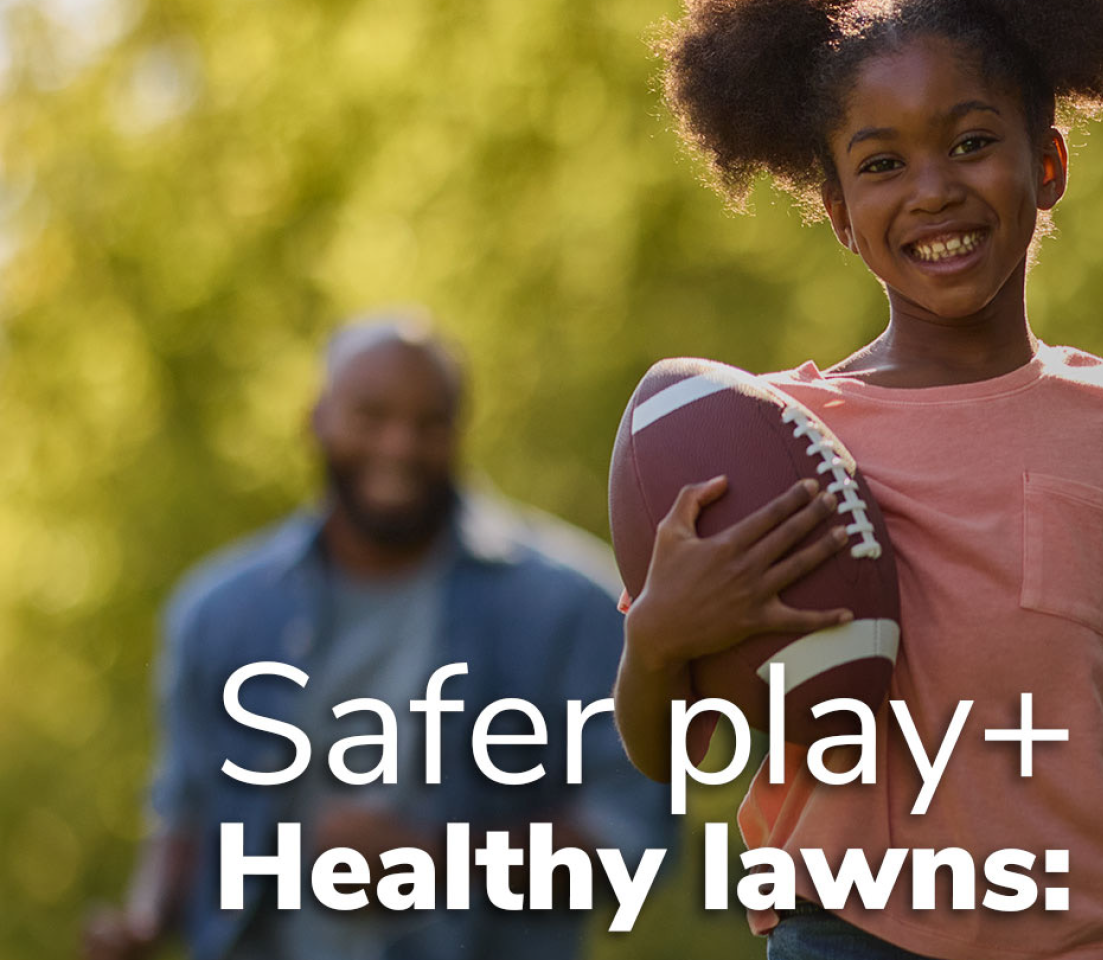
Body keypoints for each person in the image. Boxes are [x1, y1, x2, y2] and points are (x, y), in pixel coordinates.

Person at [613, 1, 1103, 959]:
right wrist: (659, 641)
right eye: (883, 164)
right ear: (840, 215)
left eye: (971, 142)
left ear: (1046, 166)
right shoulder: (764, 445)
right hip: (845, 935)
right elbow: (671, 752)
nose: (932, 190)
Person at [83, 311, 673, 960]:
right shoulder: (218, 611)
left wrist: (429, 859)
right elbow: (189, 810)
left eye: (429, 425)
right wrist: (141, 922)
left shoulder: (573, 606)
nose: (399, 447)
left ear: (460, 431)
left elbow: (634, 838)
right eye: (371, 417)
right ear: (317, 418)